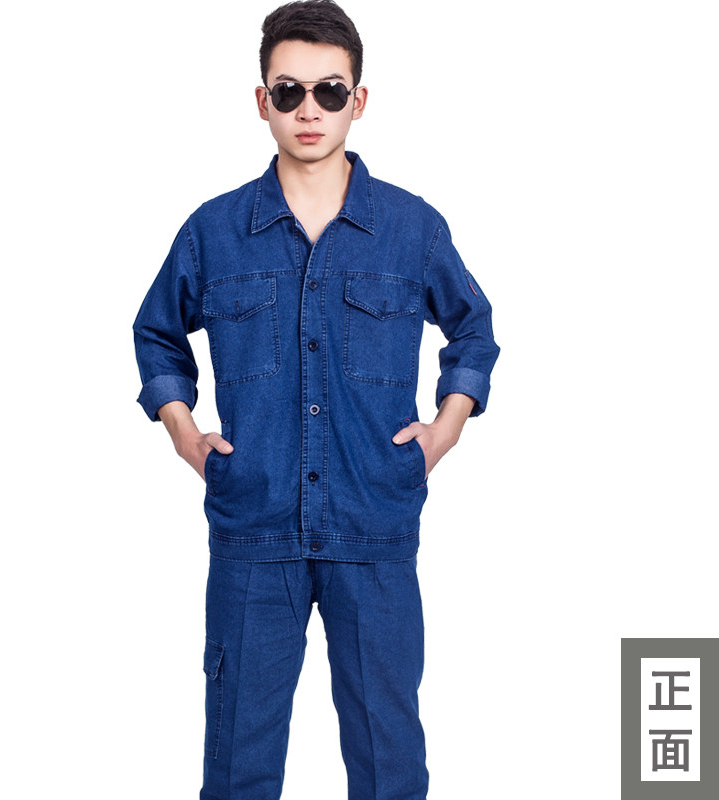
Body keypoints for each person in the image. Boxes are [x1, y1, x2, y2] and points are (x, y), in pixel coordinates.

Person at [133, 1, 499, 797]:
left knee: (389, 761)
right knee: (238, 762)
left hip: (374, 524)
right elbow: (157, 333)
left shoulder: (412, 229)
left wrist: (445, 430)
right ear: (261, 101)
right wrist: (185, 435)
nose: (309, 109)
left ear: (357, 101)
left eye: (330, 91)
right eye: (289, 90)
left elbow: (473, 330)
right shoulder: (213, 231)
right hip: (253, 526)